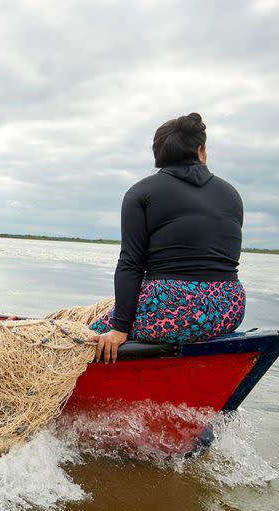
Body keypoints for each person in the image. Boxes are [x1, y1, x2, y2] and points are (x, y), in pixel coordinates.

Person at [90, 113, 245, 363]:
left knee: (85, 336)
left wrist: (119, 329)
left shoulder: (140, 193)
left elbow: (131, 264)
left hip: (172, 308)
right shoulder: (232, 194)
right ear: (200, 150)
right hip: (229, 307)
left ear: (158, 154)